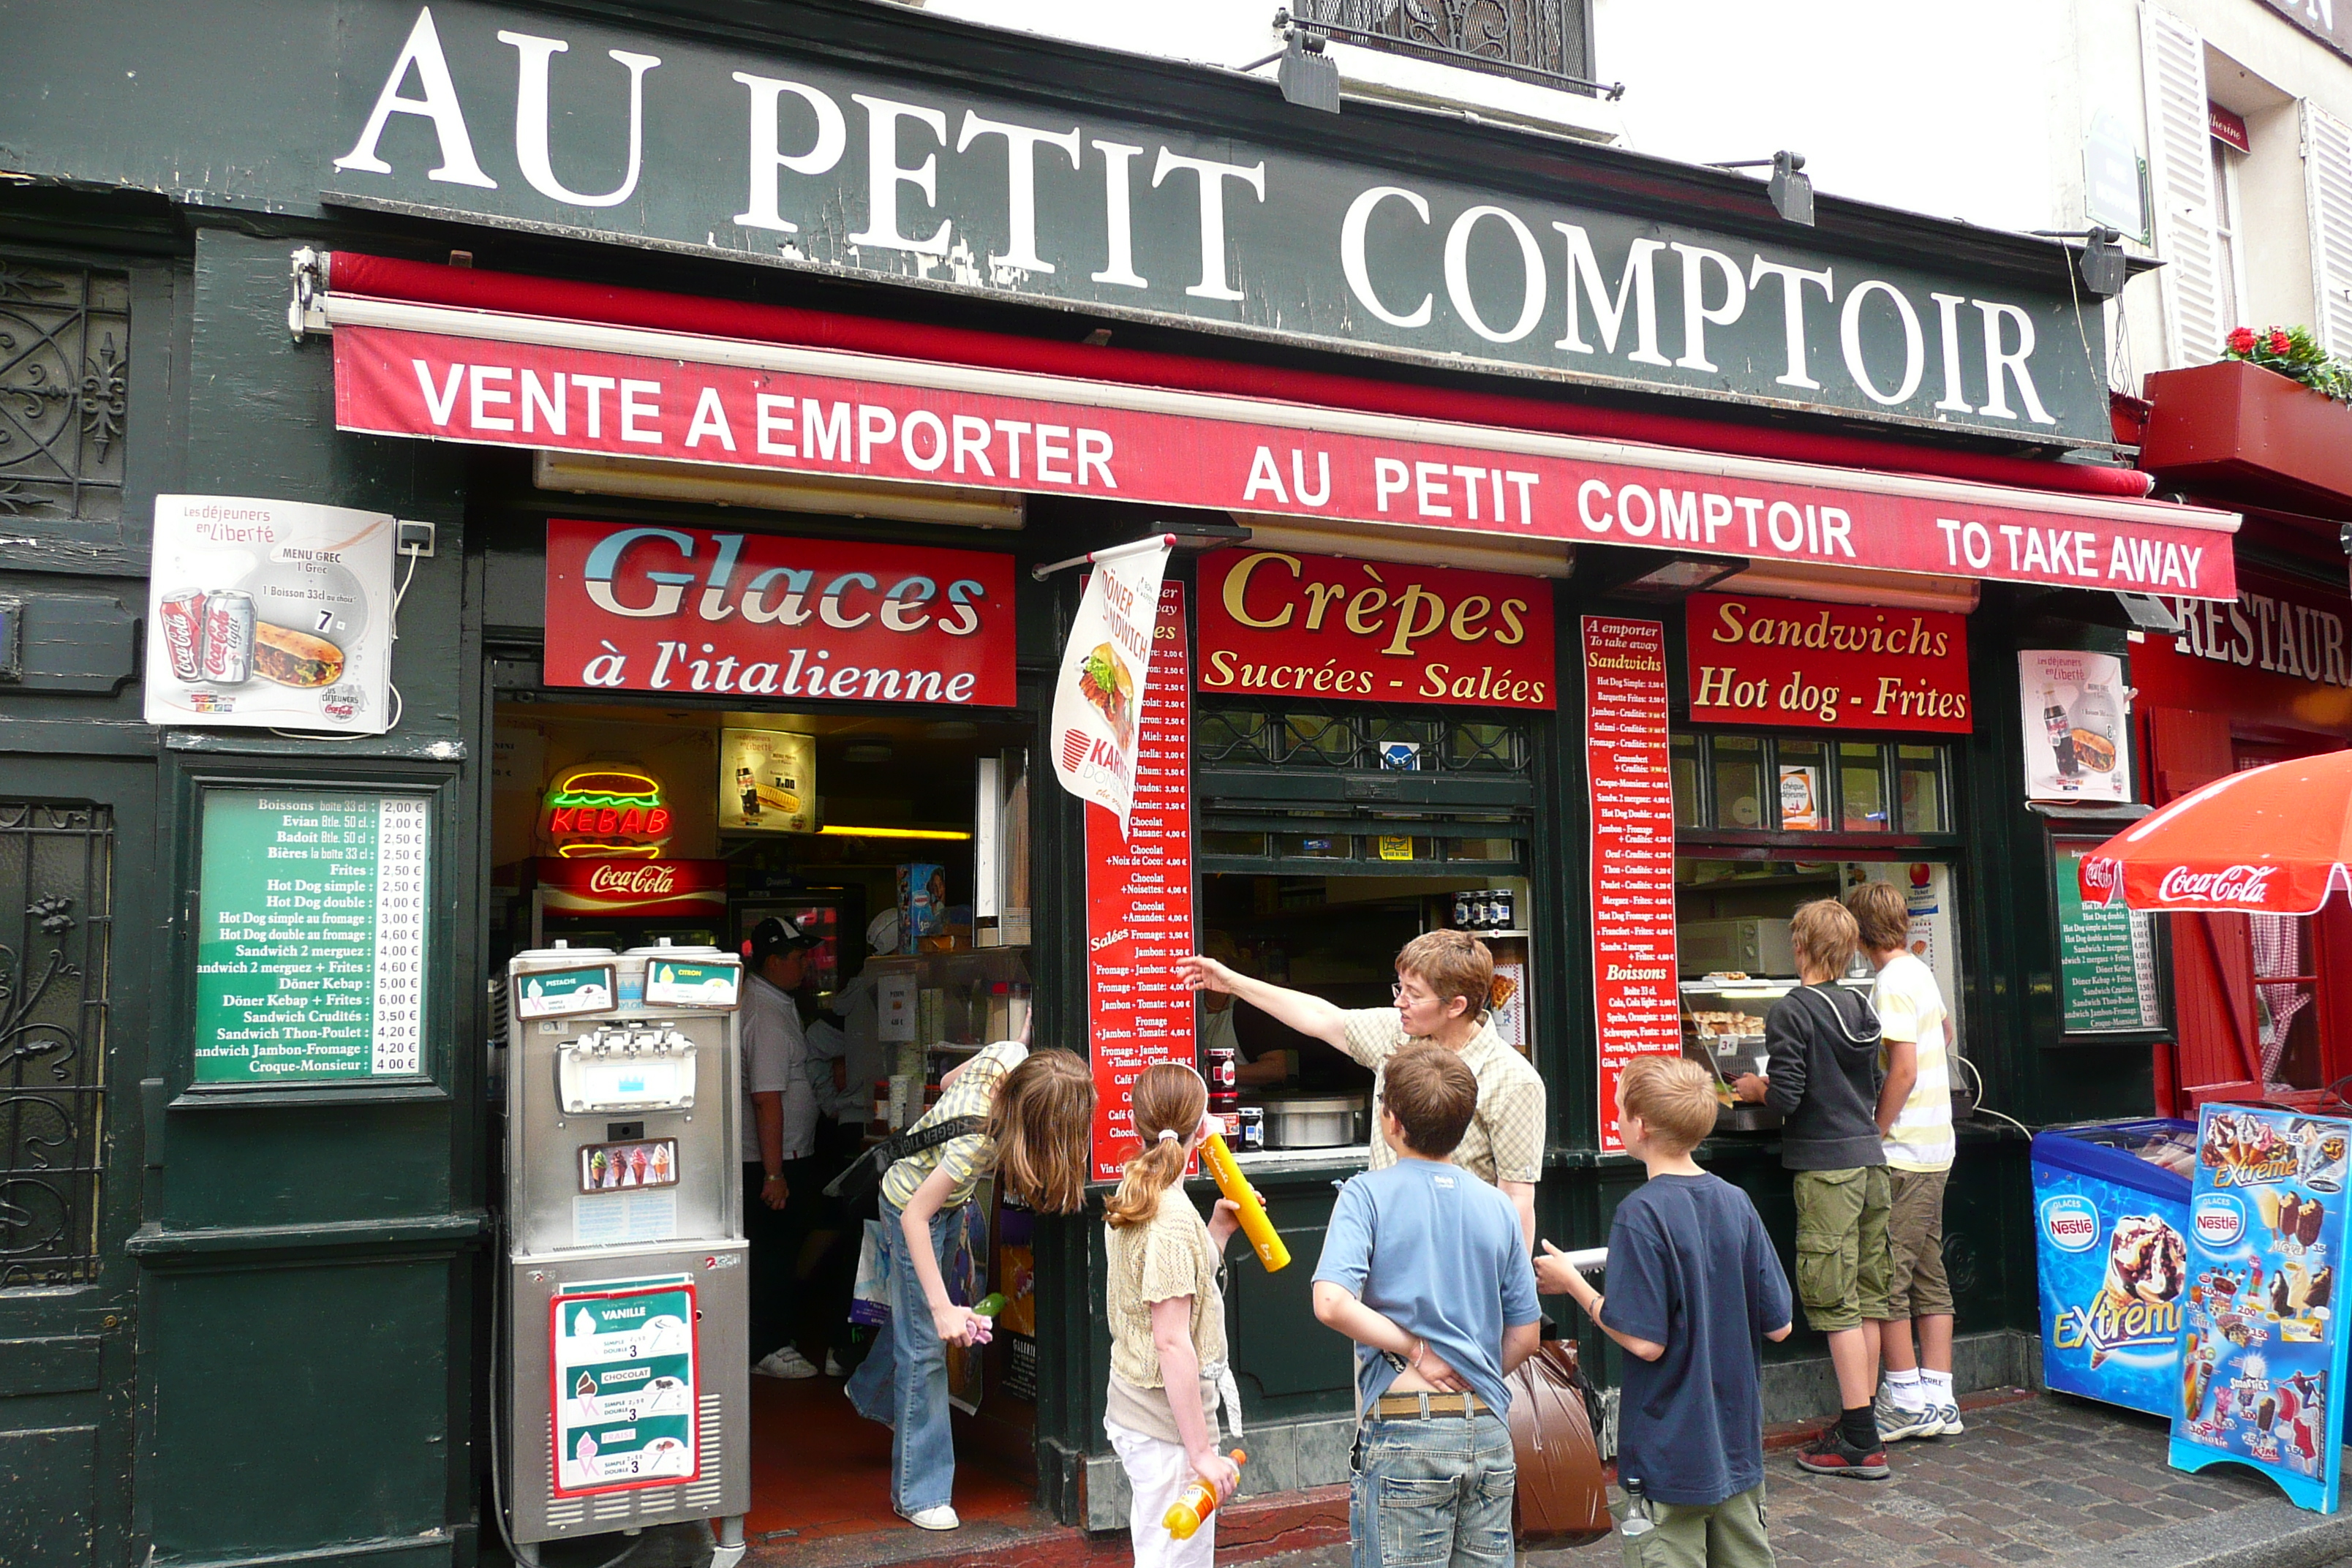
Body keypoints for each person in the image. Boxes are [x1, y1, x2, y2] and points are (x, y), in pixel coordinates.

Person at [1539, 1056, 1794, 1566]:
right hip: (1737, 1449)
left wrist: (1574, 1286)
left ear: (1642, 1125)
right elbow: (1781, 1325)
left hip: (1669, 1452)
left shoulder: (1640, 1212)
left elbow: (1644, 1339)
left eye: (1618, 1110)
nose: (1614, 1119)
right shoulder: (1737, 1201)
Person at [845, 1041, 1095, 1531]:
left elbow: (950, 1079)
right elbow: (917, 1215)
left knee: (911, 1320)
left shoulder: (1008, 1052)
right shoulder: (976, 1143)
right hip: (910, 1208)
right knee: (924, 1345)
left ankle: (872, 1397)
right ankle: (920, 1493)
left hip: (939, 1201)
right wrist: (943, 1310)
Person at [1313, 1044, 1541, 1568]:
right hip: (1486, 1425)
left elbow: (1330, 1302)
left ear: (1390, 1121)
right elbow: (1525, 1337)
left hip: (1405, 1427)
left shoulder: (1365, 1195)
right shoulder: (1499, 1207)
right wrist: (1469, 1373)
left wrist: (1417, 1351)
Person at [1179, 930, 1543, 1245]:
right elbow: (1322, 1018)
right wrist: (1231, 982)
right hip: (1384, 1248)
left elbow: (1516, 1201)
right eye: (1399, 987)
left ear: (1457, 1006)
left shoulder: (1514, 1080)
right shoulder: (1395, 1031)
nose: (1399, 1001)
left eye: (1413, 994)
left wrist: (1514, 1304)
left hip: (1459, 1263)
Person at [1732, 900, 1889, 1481]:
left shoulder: (1793, 1010)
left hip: (1826, 1170)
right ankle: (1863, 1424)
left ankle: (1859, 1439)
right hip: (1872, 1163)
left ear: (1800, 947)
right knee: (1869, 1295)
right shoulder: (1862, 1006)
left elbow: (1789, 1098)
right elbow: (1870, 1083)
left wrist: (1755, 1090)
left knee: (1833, 1300)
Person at [1102, 1063, 1244, 1568]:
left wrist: (1217, 1233)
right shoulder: (1171, 1216)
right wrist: (1202, 1453)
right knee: (1173, 1560)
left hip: (1141, 1411)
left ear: (1135, 1124)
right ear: (1204, 1129)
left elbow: (1163, 1280)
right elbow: (1171, 1340)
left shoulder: (1139, 1188)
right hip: (1166, 1425)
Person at [1844, 881, 1961, 1444]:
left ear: (1858, 932)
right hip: (1939, 1142)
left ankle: (1906, 1399)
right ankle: (1939, 1396)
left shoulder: (1889, 983)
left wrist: (1875, 1128)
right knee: (1927, 1273)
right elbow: (1945, 1032)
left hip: (1906, 1150)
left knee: (1886, 1278)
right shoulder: (1919, 970)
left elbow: (1904, 1070)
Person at [742, 915, 823, 1381]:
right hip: (772, 1161)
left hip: (787, 1155)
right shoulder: (766, 1013)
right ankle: (765, 1346)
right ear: (773, 961)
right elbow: (766, 1097)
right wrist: (773, 1175)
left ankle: (775, 1334)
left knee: (785, 1246)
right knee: (772, 1252)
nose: (805, 965)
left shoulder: (776, 1002)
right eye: (797, 958)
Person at [1196, 931, 1293, 1089]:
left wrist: (1212, 1073)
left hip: (1240, 1105)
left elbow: (1276, 1069)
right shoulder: (1187, 1009)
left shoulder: (1248, 1010)